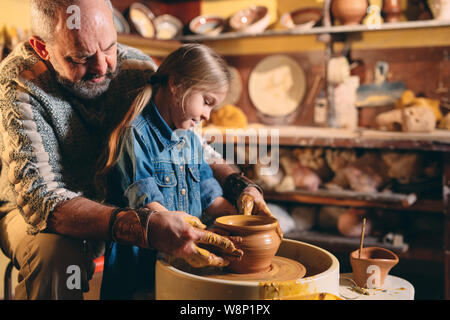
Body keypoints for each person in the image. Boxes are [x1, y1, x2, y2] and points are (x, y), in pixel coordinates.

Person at [0, 0, 276, 299]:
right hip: (37, 210)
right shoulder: (18, 82)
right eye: (81, 57)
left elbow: (191, 145)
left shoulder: (137, 67)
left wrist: (240, 186)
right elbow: (42, 200)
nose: (102, 66)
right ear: (43, 49)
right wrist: (145, 226)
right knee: (57, 256)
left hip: (121, 198)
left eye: (109, 47)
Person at [96, 43, 248, 299]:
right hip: (139, 271)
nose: (207, 115)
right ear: (176, 84)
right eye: (206, 102)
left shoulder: (188, 137)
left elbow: (210, 197)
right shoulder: (135, 134)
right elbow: (151, 209)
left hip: (183, 263)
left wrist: (240, 220)